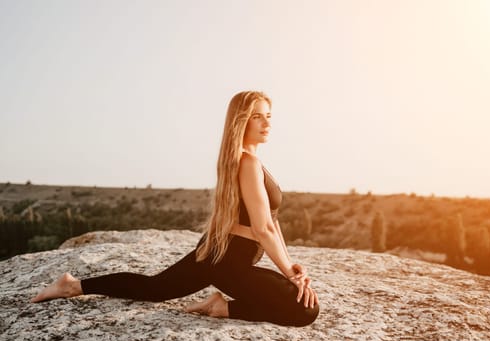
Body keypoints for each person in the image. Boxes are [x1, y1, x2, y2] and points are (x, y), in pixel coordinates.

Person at [31, 90, 320, 327]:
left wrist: (292, 265)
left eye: (268, 116)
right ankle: (72, 285)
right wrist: (290, 274)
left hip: (231, 258)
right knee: (304, 310)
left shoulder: (253, 163)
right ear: (242, 121)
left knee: (156, 288)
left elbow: (272, 220)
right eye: (257, 116)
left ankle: (220, 306)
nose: (266, 123)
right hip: (226, 260)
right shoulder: (247, 163)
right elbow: (263, 228)